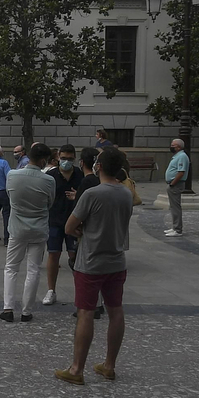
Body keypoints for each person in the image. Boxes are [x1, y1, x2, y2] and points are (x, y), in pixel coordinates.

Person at [54, 149, 133, 384]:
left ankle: (77, 369)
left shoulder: (91, 194)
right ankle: (109, 365)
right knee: (115, 310)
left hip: (91, 261)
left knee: (86, 312)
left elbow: (69, 227)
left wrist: (82, 229)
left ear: (98, 166)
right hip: (117, 260)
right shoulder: (126, 193)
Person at [2, 143, 57, 321]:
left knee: (11, 268)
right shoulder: (48, 180)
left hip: (17, 228)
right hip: (39, 228)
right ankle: (26, 311)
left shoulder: (12, 175)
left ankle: (8, 308)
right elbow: (50, 203)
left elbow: (11, 198)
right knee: (33, 269)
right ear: (43, 160)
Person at [43, 145, 82, 307]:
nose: (66, 161)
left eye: (70, 159)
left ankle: (80, 291)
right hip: (54, 221)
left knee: (75, 257)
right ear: (58, 157)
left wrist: (77, 196)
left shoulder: (80, 176)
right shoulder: (51, 176)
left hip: (74, 222)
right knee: (53, 255)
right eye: (63, 158)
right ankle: (51, 290)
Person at [163, 138, 190, 237]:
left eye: (173, 145)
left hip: (175, 184)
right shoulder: (177, 156)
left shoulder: (182, 156)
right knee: (173, 207)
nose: (171, 147)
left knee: (175, 207)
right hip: (173, 184)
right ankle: (175, 227)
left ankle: (177, 229)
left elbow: (181, 172)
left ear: (178, 147)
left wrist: (172, 183)